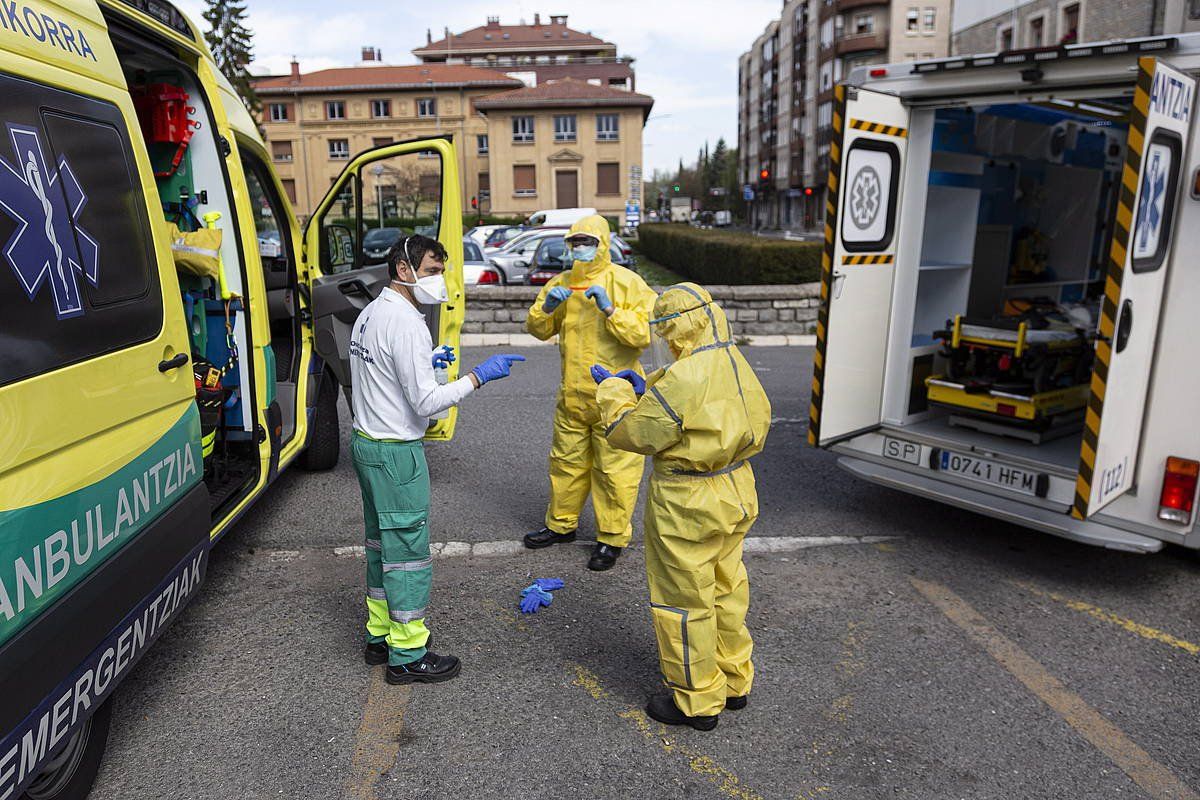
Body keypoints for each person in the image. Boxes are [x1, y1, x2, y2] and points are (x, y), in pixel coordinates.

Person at [593, 283, 771, 730]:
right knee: (727, 590)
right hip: (735, 488)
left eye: (666, 330)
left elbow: (634, 435)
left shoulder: (683, 377)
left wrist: (616, 392)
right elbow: (707, 398)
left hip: (689, 502)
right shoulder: (733, 359)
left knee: (684, 601)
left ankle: (696, 700)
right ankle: (734, 682)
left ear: (676, 327)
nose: (665, 341)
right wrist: (650, 386)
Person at [350, 234, 524, 685]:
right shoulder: (407, 322)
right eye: (431, 270)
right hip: (395, 455)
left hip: (367, 446)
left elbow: (385, 377)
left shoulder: (371, 313)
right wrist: (476, 377)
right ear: (403, 270)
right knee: (406, 555)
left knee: (380, 548)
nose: (439, 280)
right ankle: (407, 654)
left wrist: (427, 362)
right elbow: (426, 403)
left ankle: (379, 637)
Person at [523, 214, 658, 571]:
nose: (580, 247)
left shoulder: (628, 283)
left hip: (616, 399)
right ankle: (561, 525)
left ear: (603, 243)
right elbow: (538, 328)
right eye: (575, 242)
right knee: (566, 464)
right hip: (573, 396)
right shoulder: (561, 282)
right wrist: (547, 307)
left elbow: (643, 335)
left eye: (588, 241)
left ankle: (611, 538)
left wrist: (611, 310)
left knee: (616, 471)